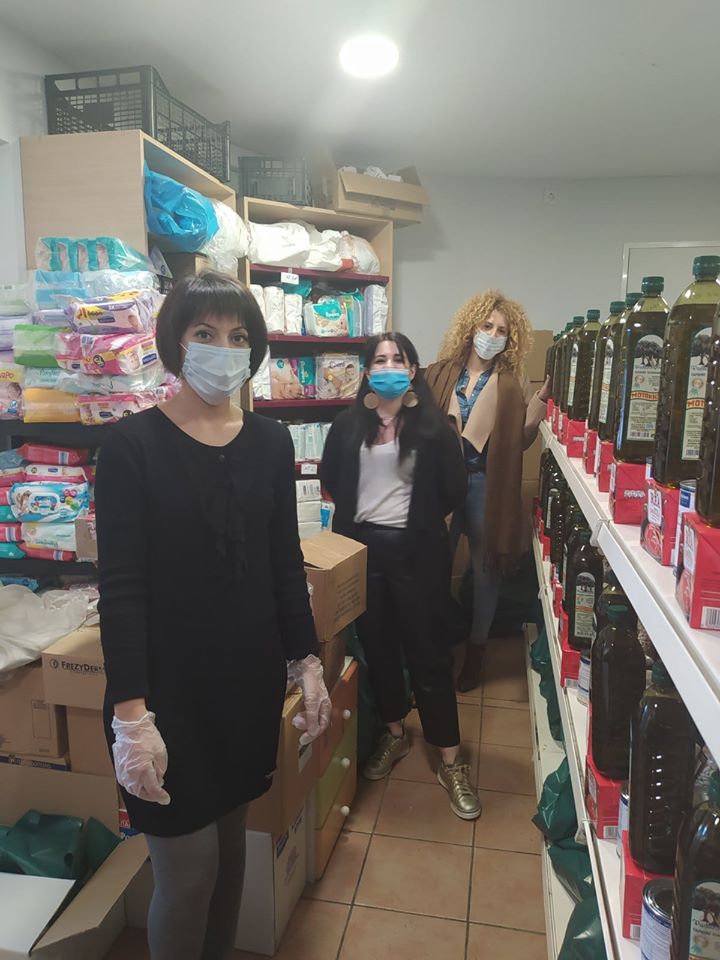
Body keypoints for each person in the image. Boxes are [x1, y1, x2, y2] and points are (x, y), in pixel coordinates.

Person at [95, 272, 331, 960]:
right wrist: (131, 717)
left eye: (237, 336)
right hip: (165, 697)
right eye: (205, 333)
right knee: (187, 873)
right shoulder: (131, 447)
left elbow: (284, 563)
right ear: (175, 341)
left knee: (231, 856)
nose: (222, 350)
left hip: (245, 689)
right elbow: (121, 589)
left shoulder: (270, 442)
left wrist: (307, 660)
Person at [320, 332, 481, 820]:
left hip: (418, 555)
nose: (389, 366)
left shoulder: (434, 429)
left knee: (428, 655)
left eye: (398, 359)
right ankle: (395, 734)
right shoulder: (347, 426)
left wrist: (417, 520)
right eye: (379, 360)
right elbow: (331, 479)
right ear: (367, 371)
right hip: (363, 553)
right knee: (379, 649)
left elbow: (454, 489)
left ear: (412, 370)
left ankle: (450, 759)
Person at [426, 290, 551, 692]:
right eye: (487, 326)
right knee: (433, 566)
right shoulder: (440, 373)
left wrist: (537, 408)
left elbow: (519, 442)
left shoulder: (512, 383)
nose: (493, 335)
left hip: (486, 485)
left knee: (486, 574)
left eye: (501, 331)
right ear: (471, 326)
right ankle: (435, 644)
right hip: (443, 485)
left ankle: (476, 651)